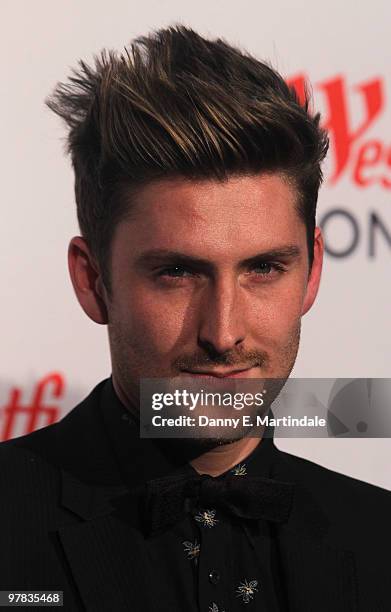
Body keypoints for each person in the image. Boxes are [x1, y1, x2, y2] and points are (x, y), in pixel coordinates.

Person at [1, 25, 390, 612]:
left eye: (263, 268)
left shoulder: (379, 538)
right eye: (177, 273)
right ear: (93, 281)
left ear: (311, 274)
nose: (223, 333)